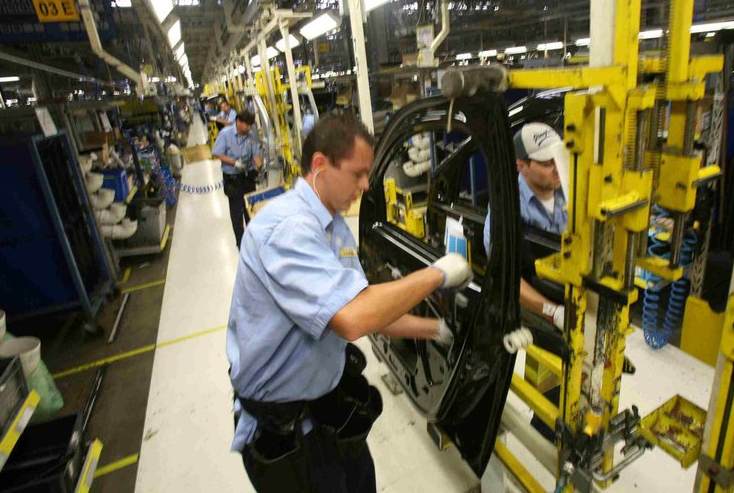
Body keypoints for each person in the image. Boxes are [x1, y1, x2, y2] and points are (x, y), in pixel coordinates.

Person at [227, 112, 472, 492]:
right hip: (287, 434)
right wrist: (438, 274)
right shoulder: (286, 230)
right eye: (357, 174)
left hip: (327, 411)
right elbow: (353, 318)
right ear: (321, 165)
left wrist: (434, 329)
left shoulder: (334, 226)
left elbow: (364, 306)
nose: (366, 185)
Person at [484, 122, 568, 332]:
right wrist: (553, 312)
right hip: (537, 309)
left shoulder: (568, 187)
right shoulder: (507, 207)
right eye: (547, 162)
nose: (557, 167)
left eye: (558, 157)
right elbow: (504, 275)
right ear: (521, 166)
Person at [212, 110, 263, 246]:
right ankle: (241, 243)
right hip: (232, 179)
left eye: (250, 125)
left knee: (251, 209)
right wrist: (234, 162)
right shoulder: (225, 134)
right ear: (238, 122)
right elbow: (216, 153)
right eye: (246, 125)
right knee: (236, 211)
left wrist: (261, 168)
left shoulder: (251, 135)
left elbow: (255, 155)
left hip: (247, 176)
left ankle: (253, 241)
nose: (248, 128)